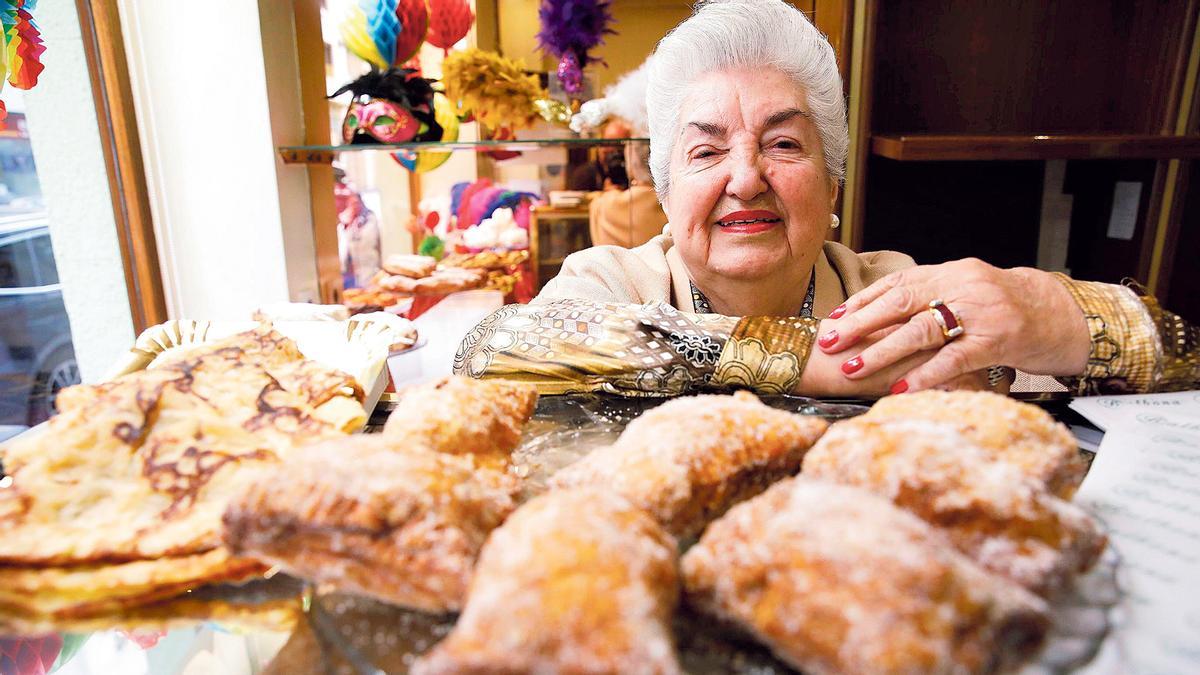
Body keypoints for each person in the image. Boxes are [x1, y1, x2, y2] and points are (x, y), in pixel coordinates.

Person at [454, 0, 1197, 397]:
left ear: (832, 180)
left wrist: (1048, 312)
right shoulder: (610, 282)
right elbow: (491, 347)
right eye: (706, 151)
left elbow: (1181, 357)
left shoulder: (893, 291)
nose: (745, 178)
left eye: (783, 144)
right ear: (667, 188)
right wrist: (801, 359)